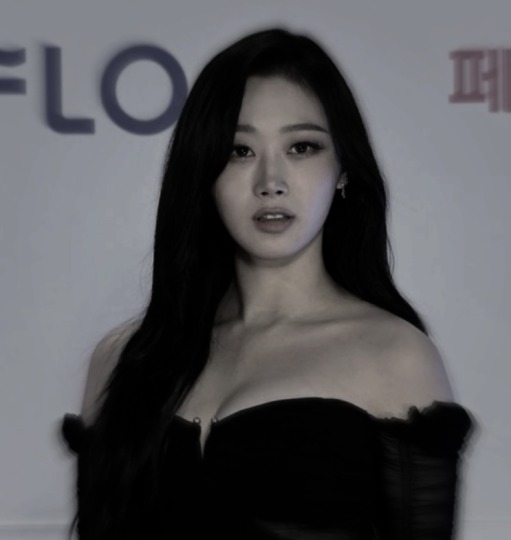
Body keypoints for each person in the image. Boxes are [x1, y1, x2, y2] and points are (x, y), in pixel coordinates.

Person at [61, 27, 476, 539]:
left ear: (343, 169)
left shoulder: (396, 357)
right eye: (239, 151)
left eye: (302, 147)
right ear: (204, 171)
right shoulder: (122, 359)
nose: (270, 182)